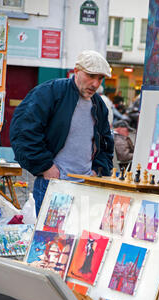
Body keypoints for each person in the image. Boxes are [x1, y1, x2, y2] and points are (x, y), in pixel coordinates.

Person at [10, 50, 114, 215]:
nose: (96, 84)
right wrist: (46, 167)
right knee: (49, 239)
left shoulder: (99, 105)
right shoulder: (51, 92)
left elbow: (106, 143)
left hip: (86, 188)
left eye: (100, 78)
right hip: (54, 185)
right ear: (76, 71)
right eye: (91, 76)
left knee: (81, 239)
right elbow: (24, 131)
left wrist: (98, 171)